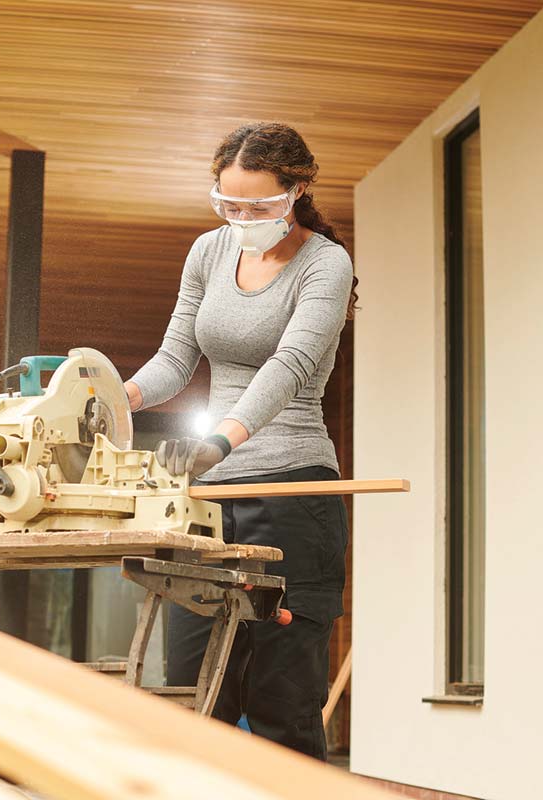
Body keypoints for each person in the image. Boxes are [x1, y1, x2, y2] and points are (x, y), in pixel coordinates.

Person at [124, 122, 357, 760]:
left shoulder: (325, 263)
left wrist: (221, 442)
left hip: (291, 497)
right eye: (229, 205)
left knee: (282, 703)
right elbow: (176, 357)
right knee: (195, 700)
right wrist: (117, 396)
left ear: (296, 190)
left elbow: (291, 365)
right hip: (207, 506)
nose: (242, 220)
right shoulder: (208, 251)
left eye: (259, 206)